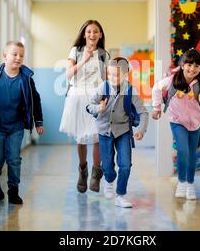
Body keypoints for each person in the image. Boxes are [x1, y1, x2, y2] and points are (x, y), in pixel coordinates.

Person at [0, 41, 44, 204]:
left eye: (21, 55)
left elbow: (35, 100)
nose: (18, 58)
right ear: (5, 56)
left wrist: (39, 122)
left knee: (14, 158)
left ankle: (13, 190)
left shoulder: (26, 78)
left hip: (16, 127)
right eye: (14, 54)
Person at [151, 49, 200, 200]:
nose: (192, 69)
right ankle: (181, 182)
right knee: (183, 150)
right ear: (182, 65)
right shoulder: (172, 80)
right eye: (189, 65)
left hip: (194, 123)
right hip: (177, 121)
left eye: (196, 66)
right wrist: (156, 108)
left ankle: (190, 184)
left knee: (192, 154)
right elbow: (156, 88)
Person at [87, 57, 148, 208]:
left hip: (123, 131)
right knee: (107, 167)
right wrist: (98, 108)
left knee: (125, 165)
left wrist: (141, 130)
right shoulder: (103, 88)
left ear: (126, 74)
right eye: (110, 74)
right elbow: (89, 106)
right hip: (105, 131)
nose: (113, 78)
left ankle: (121, 195)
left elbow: (144, 112)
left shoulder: (131, 91)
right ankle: (109, 180)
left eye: (117, 75)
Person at [59, 20, 109, 193]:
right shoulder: (76, 51)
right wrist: (84, 60)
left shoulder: (103, 54)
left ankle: (96, 174)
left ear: (100, 34)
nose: (92, 35)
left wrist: (107, 97)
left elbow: (106, 79)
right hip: (78, 96)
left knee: (97, 136)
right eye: (89, 31)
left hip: (96, 96)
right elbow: (68, 75)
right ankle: (83, 171)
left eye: (96, 31)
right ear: (84, 34)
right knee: (81, 138)